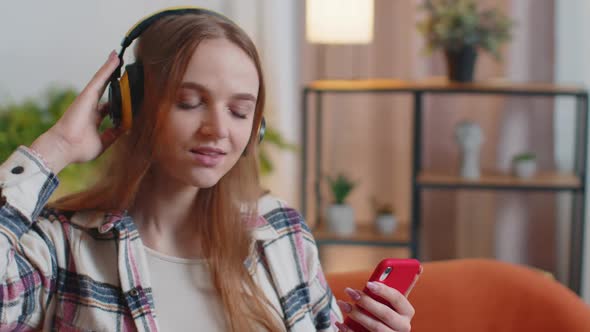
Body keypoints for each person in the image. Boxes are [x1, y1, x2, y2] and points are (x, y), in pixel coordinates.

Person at [0, 7, 415, 332]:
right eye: (190, 102)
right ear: (134, 107)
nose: (218, 129)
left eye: (239, 111)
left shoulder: (280, 232)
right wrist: (55, 149)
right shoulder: (63, 245)